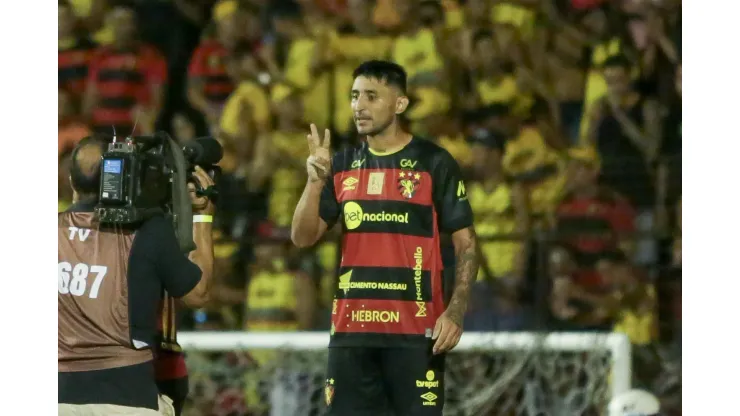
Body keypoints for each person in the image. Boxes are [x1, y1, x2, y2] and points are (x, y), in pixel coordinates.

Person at [291, 60, 478, 416]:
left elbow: (466, 244)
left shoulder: (433, 162)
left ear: (400, 104)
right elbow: (302, 237)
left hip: (415, 335)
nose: (359, 105)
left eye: (371, 96)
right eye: (354, 96)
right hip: (351, 333)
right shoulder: (342, 164)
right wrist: (314, 182)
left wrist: (455, 310)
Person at [58, 136, 216, 415]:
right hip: (127, 399)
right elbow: (198, 293)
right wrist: (202, 216)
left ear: (70, 182)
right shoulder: (148, 230)